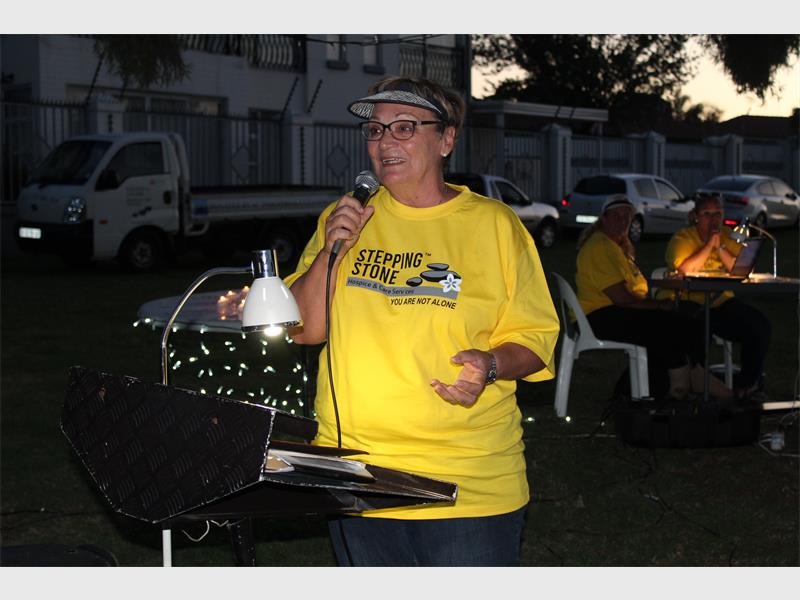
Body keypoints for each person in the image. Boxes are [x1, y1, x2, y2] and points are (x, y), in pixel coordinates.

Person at [283, 76, 560, 566]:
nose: (385, 141)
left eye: (405, 127)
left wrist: (491, 364)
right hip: (357, 473)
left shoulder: (494, 225)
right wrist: (331, 251)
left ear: (446, 139)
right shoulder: (344, 218)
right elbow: (305, 329)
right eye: (375, 130)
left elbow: (536, 340)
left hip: (466, 483)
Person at [575, 194, 731, 401]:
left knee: (687, 316)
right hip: (599, 317)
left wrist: (659, 306)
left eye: (627, 217)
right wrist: (658, 305)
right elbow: (622, 297)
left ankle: (689, 375)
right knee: (670, 324)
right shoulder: (599, 247)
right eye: (616, 216)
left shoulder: (616, 247)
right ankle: (683, 384)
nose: (622, 221)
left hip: (617, 310)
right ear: (603, 219)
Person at [656, 193, 772, 400]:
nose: (714, 219)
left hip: (720, 301)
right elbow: (684, 271)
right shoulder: (683, 238)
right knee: (697, 327)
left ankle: (746, 386)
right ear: (695, 216)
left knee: (759, 325)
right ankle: (697, 384)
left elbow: (740, 270)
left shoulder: (729, 235)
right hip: (689, 301)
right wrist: (709, 245)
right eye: (707, 214)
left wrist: (720, 247)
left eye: (718, 213)